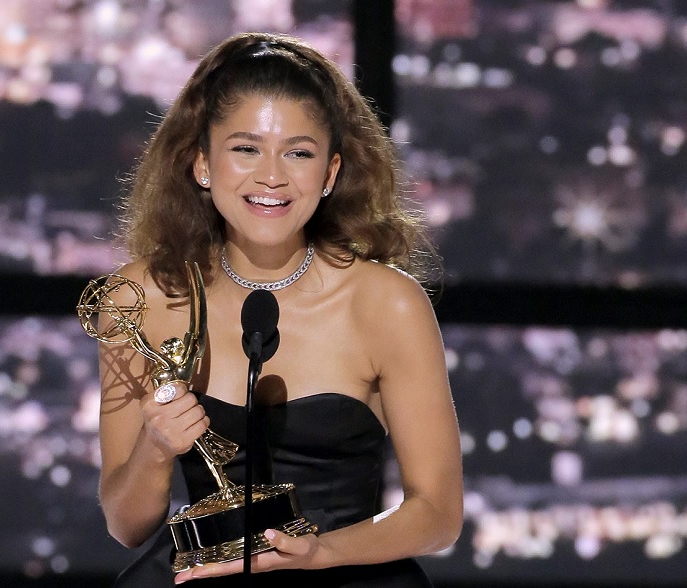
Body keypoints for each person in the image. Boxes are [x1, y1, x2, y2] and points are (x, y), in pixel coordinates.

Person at [95, 31, 463, 587]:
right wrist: (156, 446)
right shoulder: (138, 298)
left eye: (298, 153)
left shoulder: (388, 304)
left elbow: (438, 514)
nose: (272, 176)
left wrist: (319, 553)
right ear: (202, 163)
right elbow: (126, 524)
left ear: (330, 173)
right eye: (246, 149)